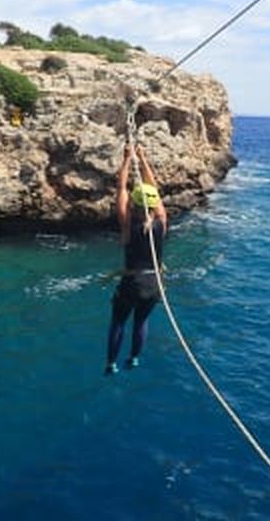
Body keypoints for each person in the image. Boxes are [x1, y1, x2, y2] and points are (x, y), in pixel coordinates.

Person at [104, 143, 168, 375]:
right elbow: (154, 191)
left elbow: (121, 187)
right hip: (154, 284)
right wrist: (142, 157)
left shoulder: (128, 225)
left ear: (134, 203)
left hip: (132, 282)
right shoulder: (161, 221)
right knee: (141, 322)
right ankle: (134, 359)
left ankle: (111, 363)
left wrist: (127, 159)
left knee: (119, 322)